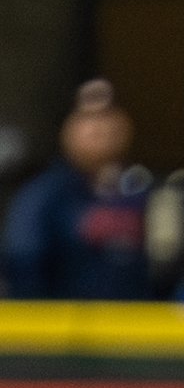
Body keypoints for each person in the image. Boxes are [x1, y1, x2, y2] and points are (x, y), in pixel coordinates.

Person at [3, 80, 153, 300]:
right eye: (88, 117)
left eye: (107, 115)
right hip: (63, 326)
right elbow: (22, 263)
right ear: (68, 127)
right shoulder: (46, 194)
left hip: (136, 326)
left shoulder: (145, 191)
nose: (100, 127)